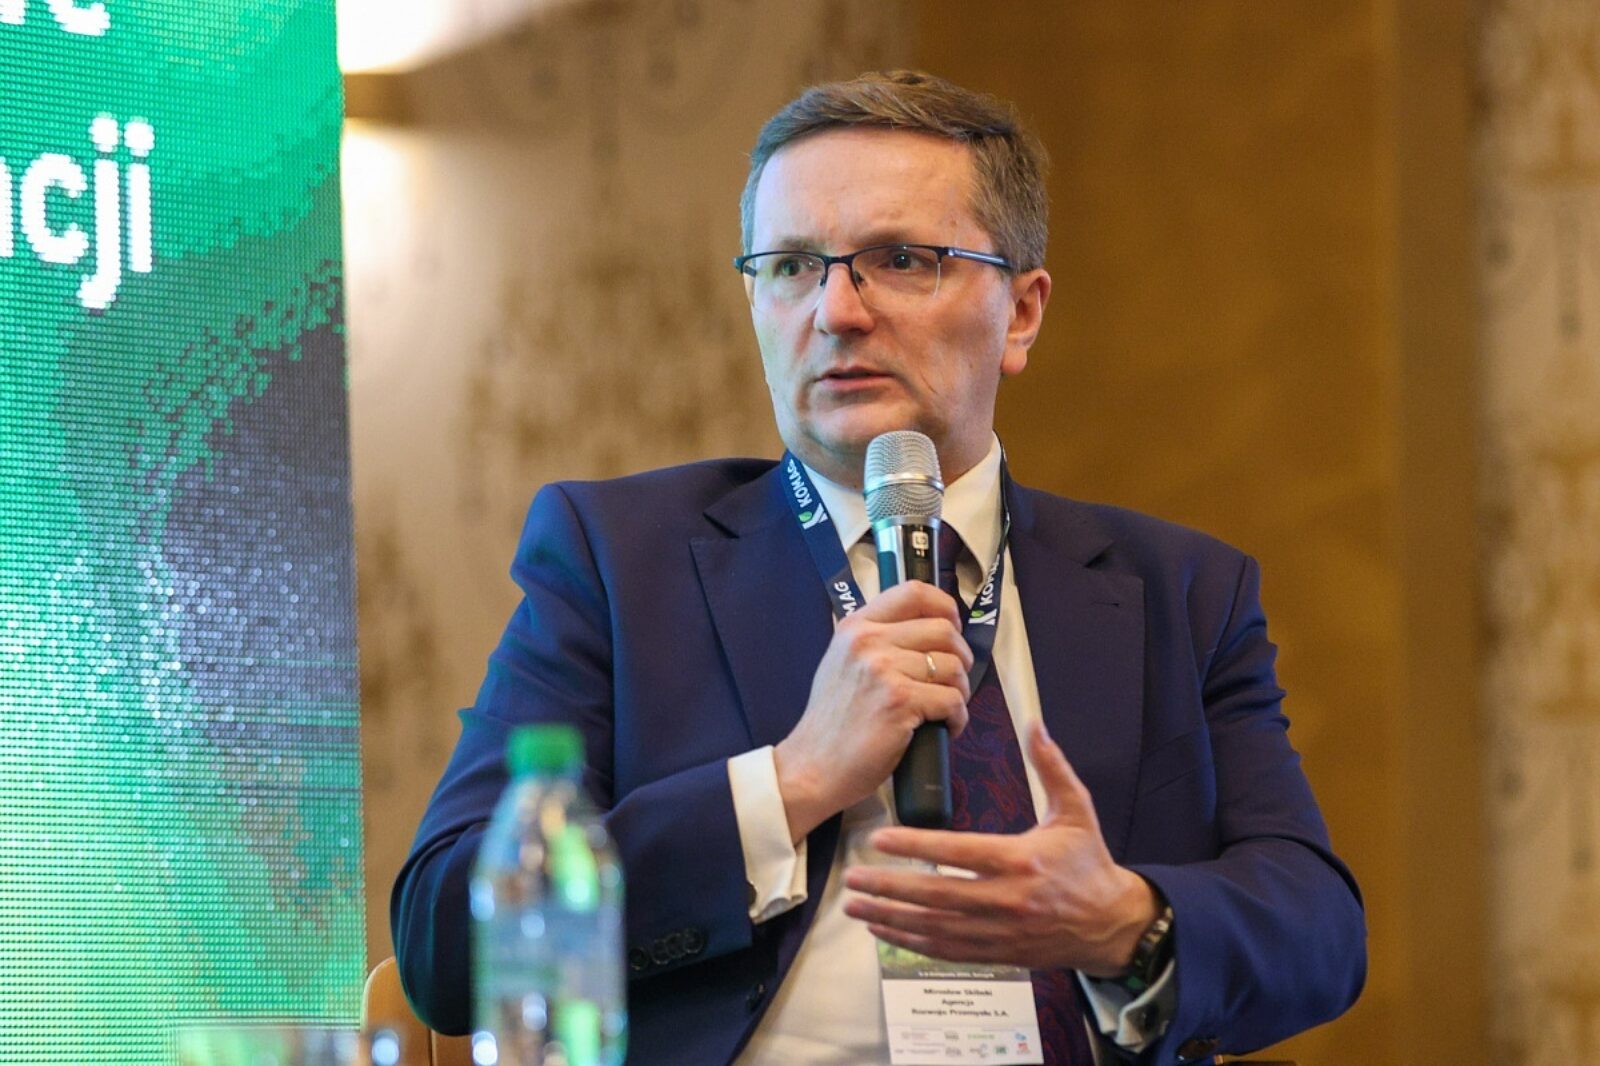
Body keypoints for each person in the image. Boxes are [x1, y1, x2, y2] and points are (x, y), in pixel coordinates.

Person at [392, 70, 1366, 1064]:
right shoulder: (617, 560)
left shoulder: (1179, 591)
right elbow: (444, 942)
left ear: (1021, 313)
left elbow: (1319, 932)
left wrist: (1122, 918)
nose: (836, 311)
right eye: (791, 266)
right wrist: (790, 782)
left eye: (899, 260)